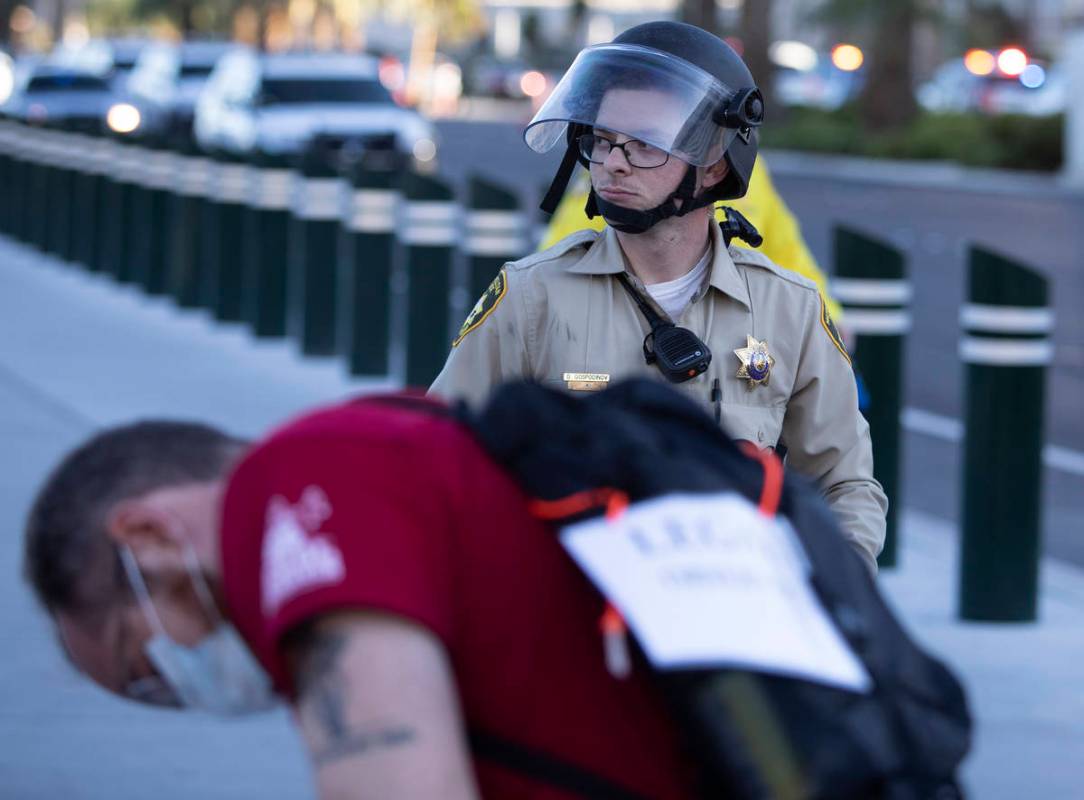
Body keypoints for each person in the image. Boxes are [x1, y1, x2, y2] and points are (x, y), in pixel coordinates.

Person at [23, 395, 703, 799]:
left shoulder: (297, 490)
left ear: (149, 537)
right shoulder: (394, 436)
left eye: (148, 672)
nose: (185, 694)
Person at [430, 21, 886, 572]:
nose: (614, 162)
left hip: (732, 615)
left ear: (714, 162)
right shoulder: (531, 296)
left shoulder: (788, 308)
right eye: (603, 140)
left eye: (645, 143)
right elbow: (438, 451)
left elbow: (846, 484)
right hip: (574, 619)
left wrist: (836, 597)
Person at [539, 162, 845, 323]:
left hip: (743, 327)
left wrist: (826, 315)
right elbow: (561, 253)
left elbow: (785, 247)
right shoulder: (614, 169)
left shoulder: (747, 167)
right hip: (618, 319)